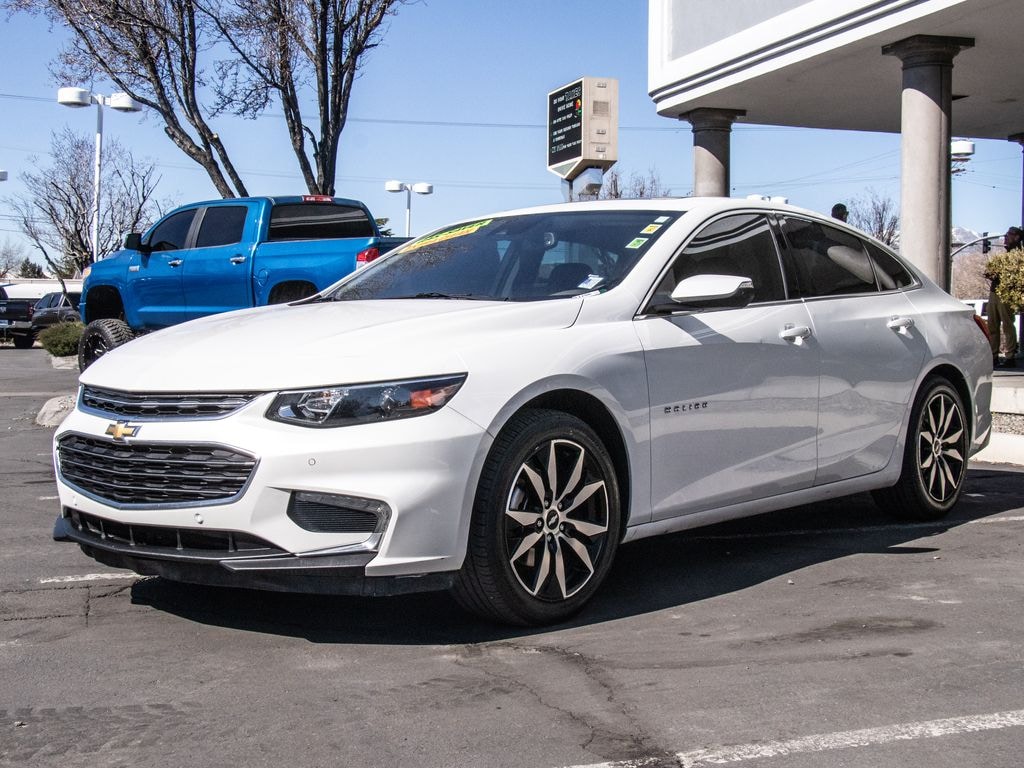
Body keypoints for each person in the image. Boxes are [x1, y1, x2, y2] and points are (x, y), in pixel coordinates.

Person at [986, 226, 1022, 368]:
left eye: (1009, 235)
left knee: (1007, 324)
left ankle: (1010, 356)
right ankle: (993, 355)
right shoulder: (1006, 253)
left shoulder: (1017, 254)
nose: (1006, 237)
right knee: (992, 325)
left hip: (1005, 292)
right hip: (994, 292)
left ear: (1017, 237)